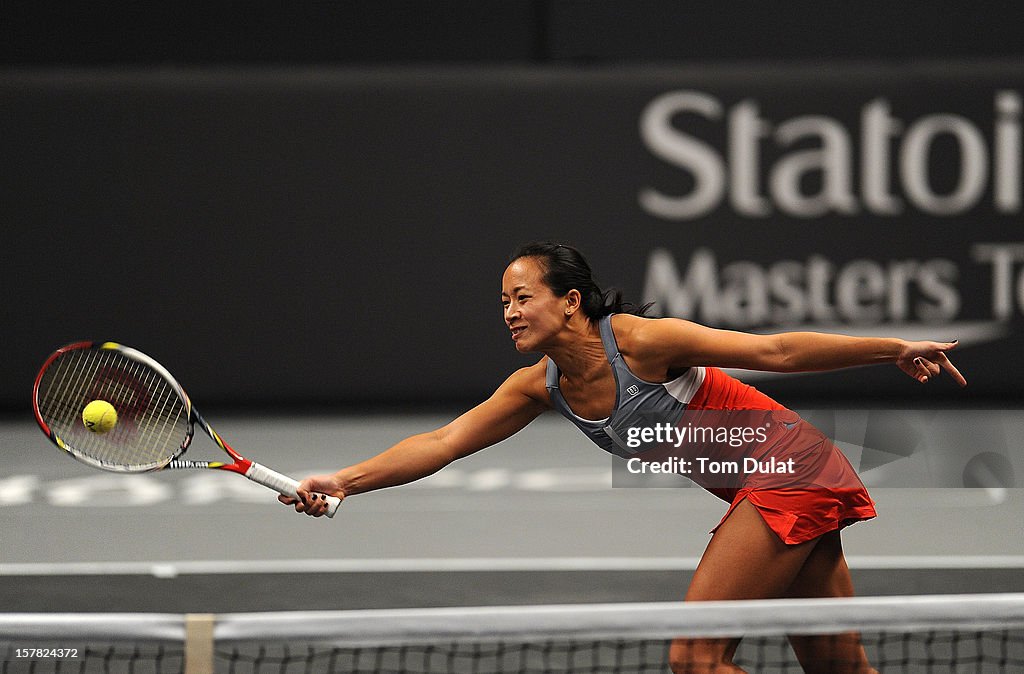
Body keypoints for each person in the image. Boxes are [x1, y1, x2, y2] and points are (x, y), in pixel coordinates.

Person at [280, 241, 966, 673]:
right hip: (779, 483)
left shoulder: (640, 342)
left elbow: (774, 352)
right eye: (502, 304)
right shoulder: (539, 386)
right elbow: (442, 443)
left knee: (695, 658)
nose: (509, 313)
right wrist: (344, 479)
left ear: (570, 300)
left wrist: (893, 347)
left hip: (787, 471)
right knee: (835, 665)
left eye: (522, 297)